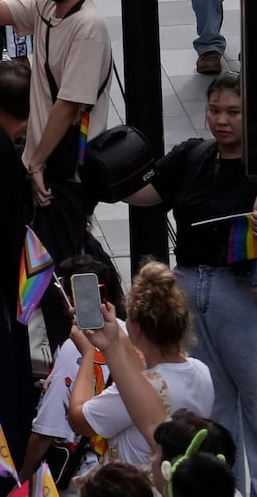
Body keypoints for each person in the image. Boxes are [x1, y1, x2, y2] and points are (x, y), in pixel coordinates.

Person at [122, 75, 257, 458]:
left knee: (255, 400)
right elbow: (144, 192)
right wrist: (102, 174)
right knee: (213, 406)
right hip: (189, 290)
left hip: (240, 293)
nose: (222, 120)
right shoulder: (193, 153)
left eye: (233, 112)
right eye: (214, 110)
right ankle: (219, 482)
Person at [0, 0, 113, 265]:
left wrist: (36, 162)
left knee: (56, 262)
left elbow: (68, 105)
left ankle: (79, 314)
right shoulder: (45, 5)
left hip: (65, 167)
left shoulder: (89, 27)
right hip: (43, 159)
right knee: (42, 253)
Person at [70, 264, 215, 468]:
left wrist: (87, 355)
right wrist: (114, 336)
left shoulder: (137, 390)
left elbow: (79, 420)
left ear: (136, 327)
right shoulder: (201, 370)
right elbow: (143, 372)